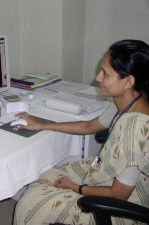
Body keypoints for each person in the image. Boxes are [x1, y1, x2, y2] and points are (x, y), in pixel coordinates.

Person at [13, 39, 149, 225]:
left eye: (105, 74)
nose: (98, 78)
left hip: (126, 207)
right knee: (46, 175)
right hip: (115, 179)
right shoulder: (129, 101)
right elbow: (88, 127)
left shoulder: (136, 130)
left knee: (29, 204)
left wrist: (75, 187)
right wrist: (43, 124)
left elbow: (119, 195)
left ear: (128, 82)